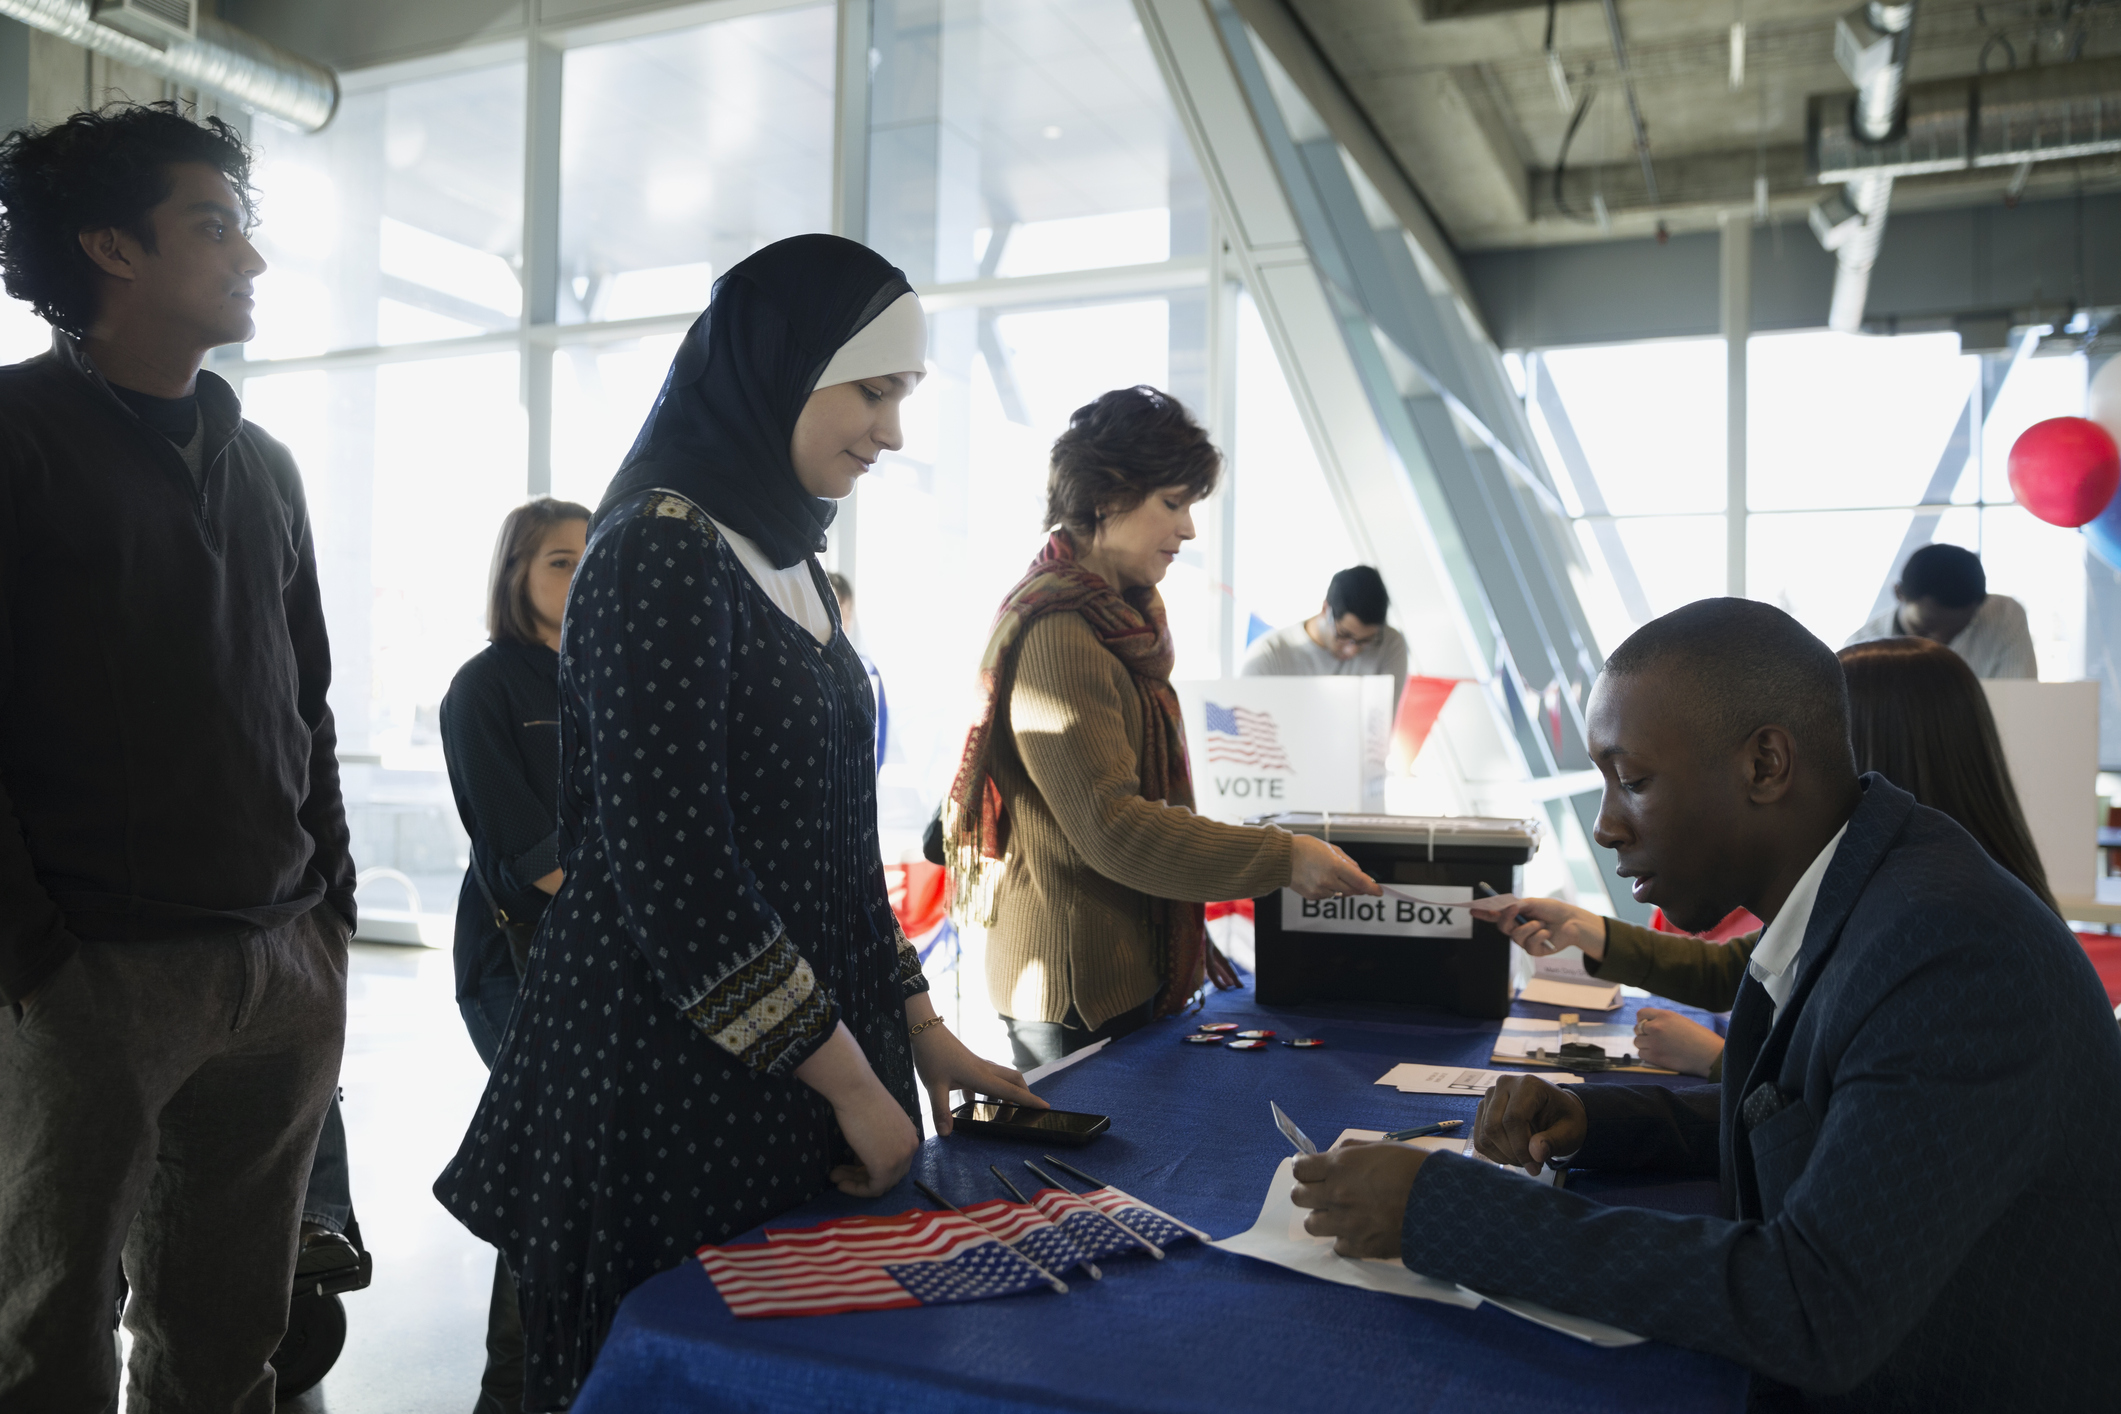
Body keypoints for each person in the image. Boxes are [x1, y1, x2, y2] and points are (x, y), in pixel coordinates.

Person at [434, 235, 1038, 1410]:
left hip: (799, 1068)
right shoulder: (658, 547)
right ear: (782, 366)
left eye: (903, 395)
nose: (893, 430)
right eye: (874, 389)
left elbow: (829, 846)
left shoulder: (791, 561)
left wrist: (921, 1030)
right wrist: (858, 1087)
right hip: (670, 1090)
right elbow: (677, 869)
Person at [1292, 598, 2121, 1409]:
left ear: (1764, 764)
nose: (1607, 826)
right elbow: (1826, 1118)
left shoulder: (1949, 952)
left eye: (1634, 781)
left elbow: (1811, 1306)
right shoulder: (1868, 894)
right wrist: (1598, 1122)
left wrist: (1446, 1212)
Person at [0, 104, 353, 1408]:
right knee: (47, 1339)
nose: (249, 257)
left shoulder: (263, 465)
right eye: (214, 224)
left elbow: (304, 702)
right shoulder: (16, 436)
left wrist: (326, 915)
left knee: (226, 1343)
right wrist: (33, 950)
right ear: (110, 246)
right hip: (88, 976)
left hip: (276, 965)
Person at [946, 387, 1380, 1069]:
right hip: (1074, 988)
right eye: (1172, 504)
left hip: (1121, 960)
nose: (1188, 530)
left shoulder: (1120, 623)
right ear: (1106, 497)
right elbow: (1112, 827)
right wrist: (1282, 857)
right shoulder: (1061, 635)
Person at [1485, 633, 2061, 1080]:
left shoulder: (1940, 942)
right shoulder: (1904, 894)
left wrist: (1722, 1062)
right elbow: (1746, 968)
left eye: (1635, 780)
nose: (1607, 829)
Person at [438, 494, 589, 1414]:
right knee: (549, 1156)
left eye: (589, 560)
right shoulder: (482, 688)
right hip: (518, 961)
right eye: (559, 561)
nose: (579, 577)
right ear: (515, 575)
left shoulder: (611, 677)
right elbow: (523, 851)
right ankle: (514, 1391)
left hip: (610, 956)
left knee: (570, 1163)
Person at [1845, 541, 2037, 678]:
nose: (1940, 641)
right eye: (1925, 628)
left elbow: (2019, 700)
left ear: (1980, 605)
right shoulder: (1858, 651)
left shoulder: (2003, 616)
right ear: (1899, 593)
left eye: (1957, 629)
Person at [1240, 565, 1410, 708]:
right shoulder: (1268, 656)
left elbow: (1378, 735)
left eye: (1365, 641)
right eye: (1344, 635)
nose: (1352, 650)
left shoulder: (1389, 645)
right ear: (1325, 610)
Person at [827, 569, 887, 769]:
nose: (841, 617)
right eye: (835, 605)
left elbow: (879, 738)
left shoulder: (867, 671)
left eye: (845, 609)